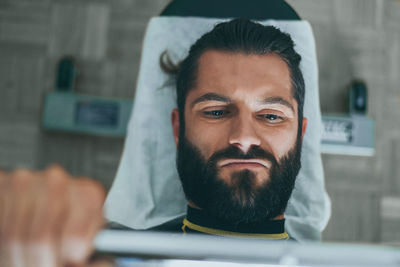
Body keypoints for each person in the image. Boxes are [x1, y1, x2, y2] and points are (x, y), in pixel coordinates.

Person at [0, 18, 307, 266]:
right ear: (178, 128)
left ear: (301, 134)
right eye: (215, 111)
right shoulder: (95, 254)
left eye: (270, 116)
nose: (243, 137)